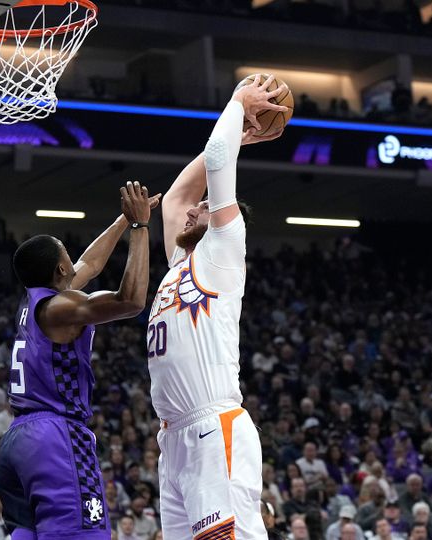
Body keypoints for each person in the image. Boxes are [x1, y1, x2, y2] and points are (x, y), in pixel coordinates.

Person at [150, 75, 287, 539]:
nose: (192, 212)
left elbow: (218, 161)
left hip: (215, 426)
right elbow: (173, 200)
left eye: (205, 208)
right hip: (174, 438)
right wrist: (243, 135)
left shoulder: (222, 250)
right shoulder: (181, 264)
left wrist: (235, 105)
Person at [0, 179, 157, 539]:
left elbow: (91, 262)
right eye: (65, 254)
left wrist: (123, 219)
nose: (73, 259)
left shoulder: (37, 299)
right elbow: (130, 300)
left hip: (18, 440)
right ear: (58, 271)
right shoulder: (61, 307)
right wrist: (140, 227)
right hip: (55, 435)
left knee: (27, 534)